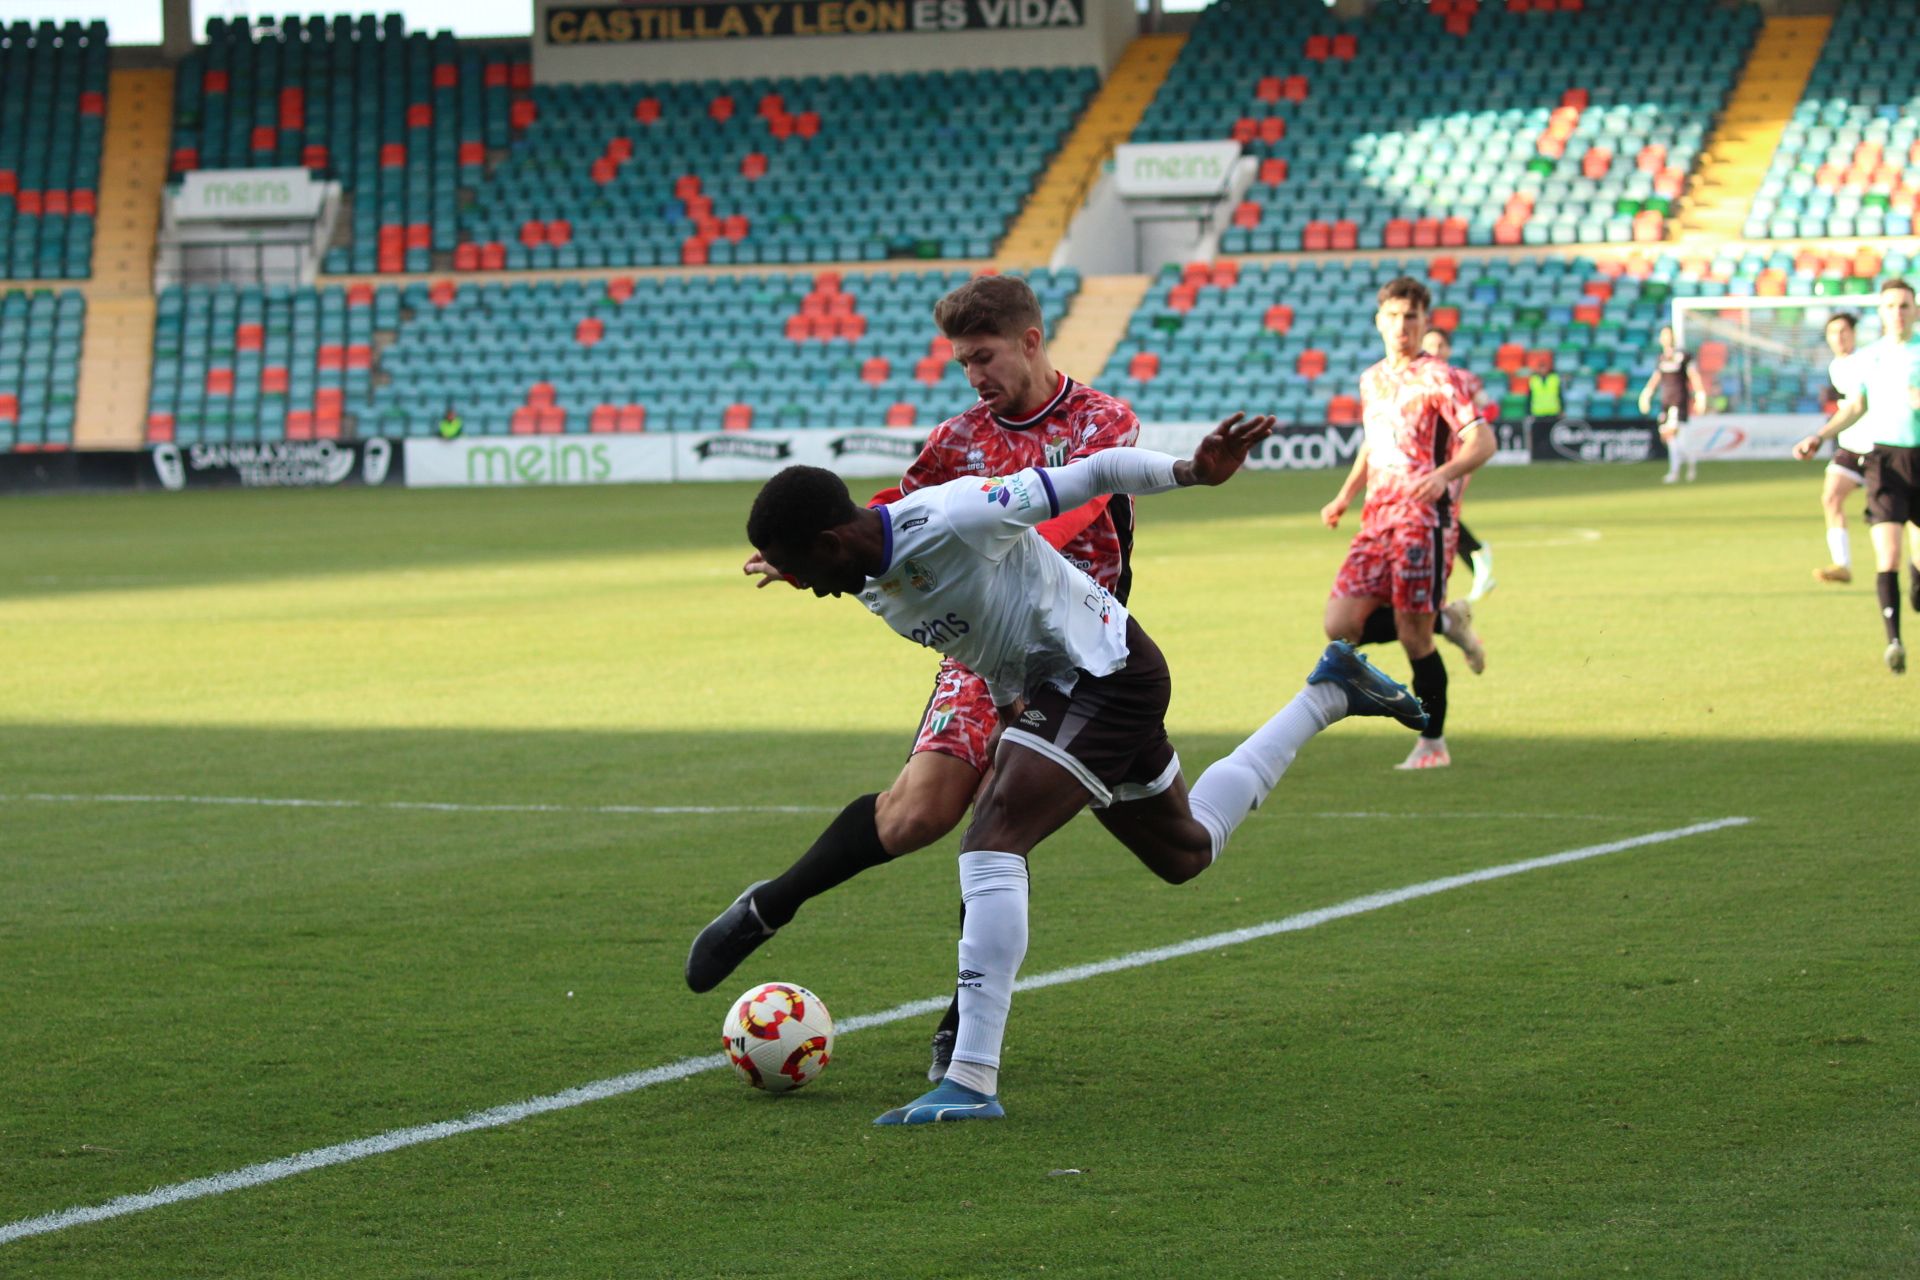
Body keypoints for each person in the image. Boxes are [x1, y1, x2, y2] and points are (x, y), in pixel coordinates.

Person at [741, 416, 1428, 1124]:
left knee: (992, 840)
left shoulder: (959, 513)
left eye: (806, 574)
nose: (813, 591)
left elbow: (1094, 473)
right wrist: (789, 562)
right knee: (1186, 851)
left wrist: (1192, 471)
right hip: (1058, 691)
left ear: (830, 542)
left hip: (1105, 673)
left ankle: (970, 1079)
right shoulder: (855, 565)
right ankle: (1329, 693)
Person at [688, 275, 1142, 1082]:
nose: (975, 376)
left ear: (1031, 341)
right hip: (980, 646)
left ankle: (964, 1019)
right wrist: (804, 557)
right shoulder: (957, 440)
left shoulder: (1102, 422)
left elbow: (1073, 510)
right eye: (963, 363)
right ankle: (770, 903)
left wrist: (1004, 521)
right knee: (916, 816)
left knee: (1009, 824)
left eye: (985, 357)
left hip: (1080, 656)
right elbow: (889, 518)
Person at [1322, 278, 1496, 772]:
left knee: (1412, 633)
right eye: (1394, 316)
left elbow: (1483, 441)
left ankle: (1432, 742)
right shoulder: (1371, 378)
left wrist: (1443, 475)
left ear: (1425, 322)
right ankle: (1450, 621)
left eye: (1412, 317)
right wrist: (1344, 496)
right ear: (1379, 321)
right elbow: (1374, 443)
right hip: (1377, 517)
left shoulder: (1441, 377)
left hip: (1424, 521)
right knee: (1340, 624)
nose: (1402, 326)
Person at [1792, 278, 1920, 675]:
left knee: (1917, 577)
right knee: (1888, 554)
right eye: (1890, 306)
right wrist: (1820, 435)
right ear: (1880, 313)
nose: (1897, 312)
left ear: (1914, 310)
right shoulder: (1869, 357)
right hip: (1882, 459)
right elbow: (1855, 406)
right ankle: (1894, 642)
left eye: (1904, 305)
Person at [1420, 328, 1498, 602]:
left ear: (1449, 350)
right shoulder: (1414, 379)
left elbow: (1490, 409)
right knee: (1439, 514)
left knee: (1444, 512)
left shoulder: (1463, 379)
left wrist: (1472, 427)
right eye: (1429, 344)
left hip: (1456, 458)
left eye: (1440, 345)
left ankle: (1475, 559)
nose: (1434, 350)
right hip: (1425, 459)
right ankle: (1476, 561)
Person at [1638, 325, 1708, 484]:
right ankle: (1691, 461)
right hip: (1666, 401)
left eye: (1668, 335)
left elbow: (1693, 375)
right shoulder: (1661, 358)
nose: (1666, 338)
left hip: (1679, 400)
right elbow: (1656, 378)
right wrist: (1646, 394)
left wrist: (1700, 394)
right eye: (1663, 335)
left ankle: (1674, 472)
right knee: (1669, 438)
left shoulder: (1683, 356)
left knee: (1671, 434)